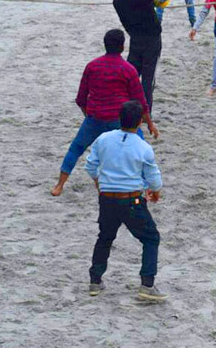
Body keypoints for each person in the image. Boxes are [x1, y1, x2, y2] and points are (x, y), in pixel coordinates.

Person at [51, 29, 160, 196]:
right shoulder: (128, 69)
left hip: (95, 119)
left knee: (76, 149)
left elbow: (81, 98)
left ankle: (59, 186)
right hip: (121, 122)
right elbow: (140, 101)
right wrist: (150, 124)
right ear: (123, 47)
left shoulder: (92, 66)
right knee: (141, 149)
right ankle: (147, 189)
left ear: (105, 45)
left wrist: (88, 115)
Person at [85, 101, 166, 302]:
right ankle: (147, 284)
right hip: (131, 200)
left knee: (105, 237)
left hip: (107, 198)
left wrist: (99, 183)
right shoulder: (143, 147)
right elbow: (154, 178)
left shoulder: (104, 139)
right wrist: (155, 191)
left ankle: (95, 280)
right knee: (151, 238)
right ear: (139, 122)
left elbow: (91, 166)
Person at [113, 0, 171, 110]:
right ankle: (146, 113)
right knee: (147, 79)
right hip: (151, 41)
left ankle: (124, 108)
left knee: (130, 77)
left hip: (135, 40)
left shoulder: (117, 1)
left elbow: (126, 23)